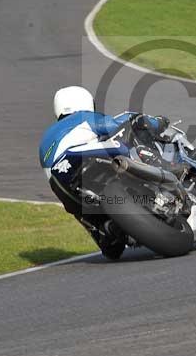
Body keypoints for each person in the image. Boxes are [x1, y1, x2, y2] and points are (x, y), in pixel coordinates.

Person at [39, 86, 169, 258]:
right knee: (134, 122)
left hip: (62, 185)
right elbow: (117, 124)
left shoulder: (45, 139)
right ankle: (161, 165)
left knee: (111, 249)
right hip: (82, 158)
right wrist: (157, 122)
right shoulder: (83, 117)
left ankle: (106, 232)